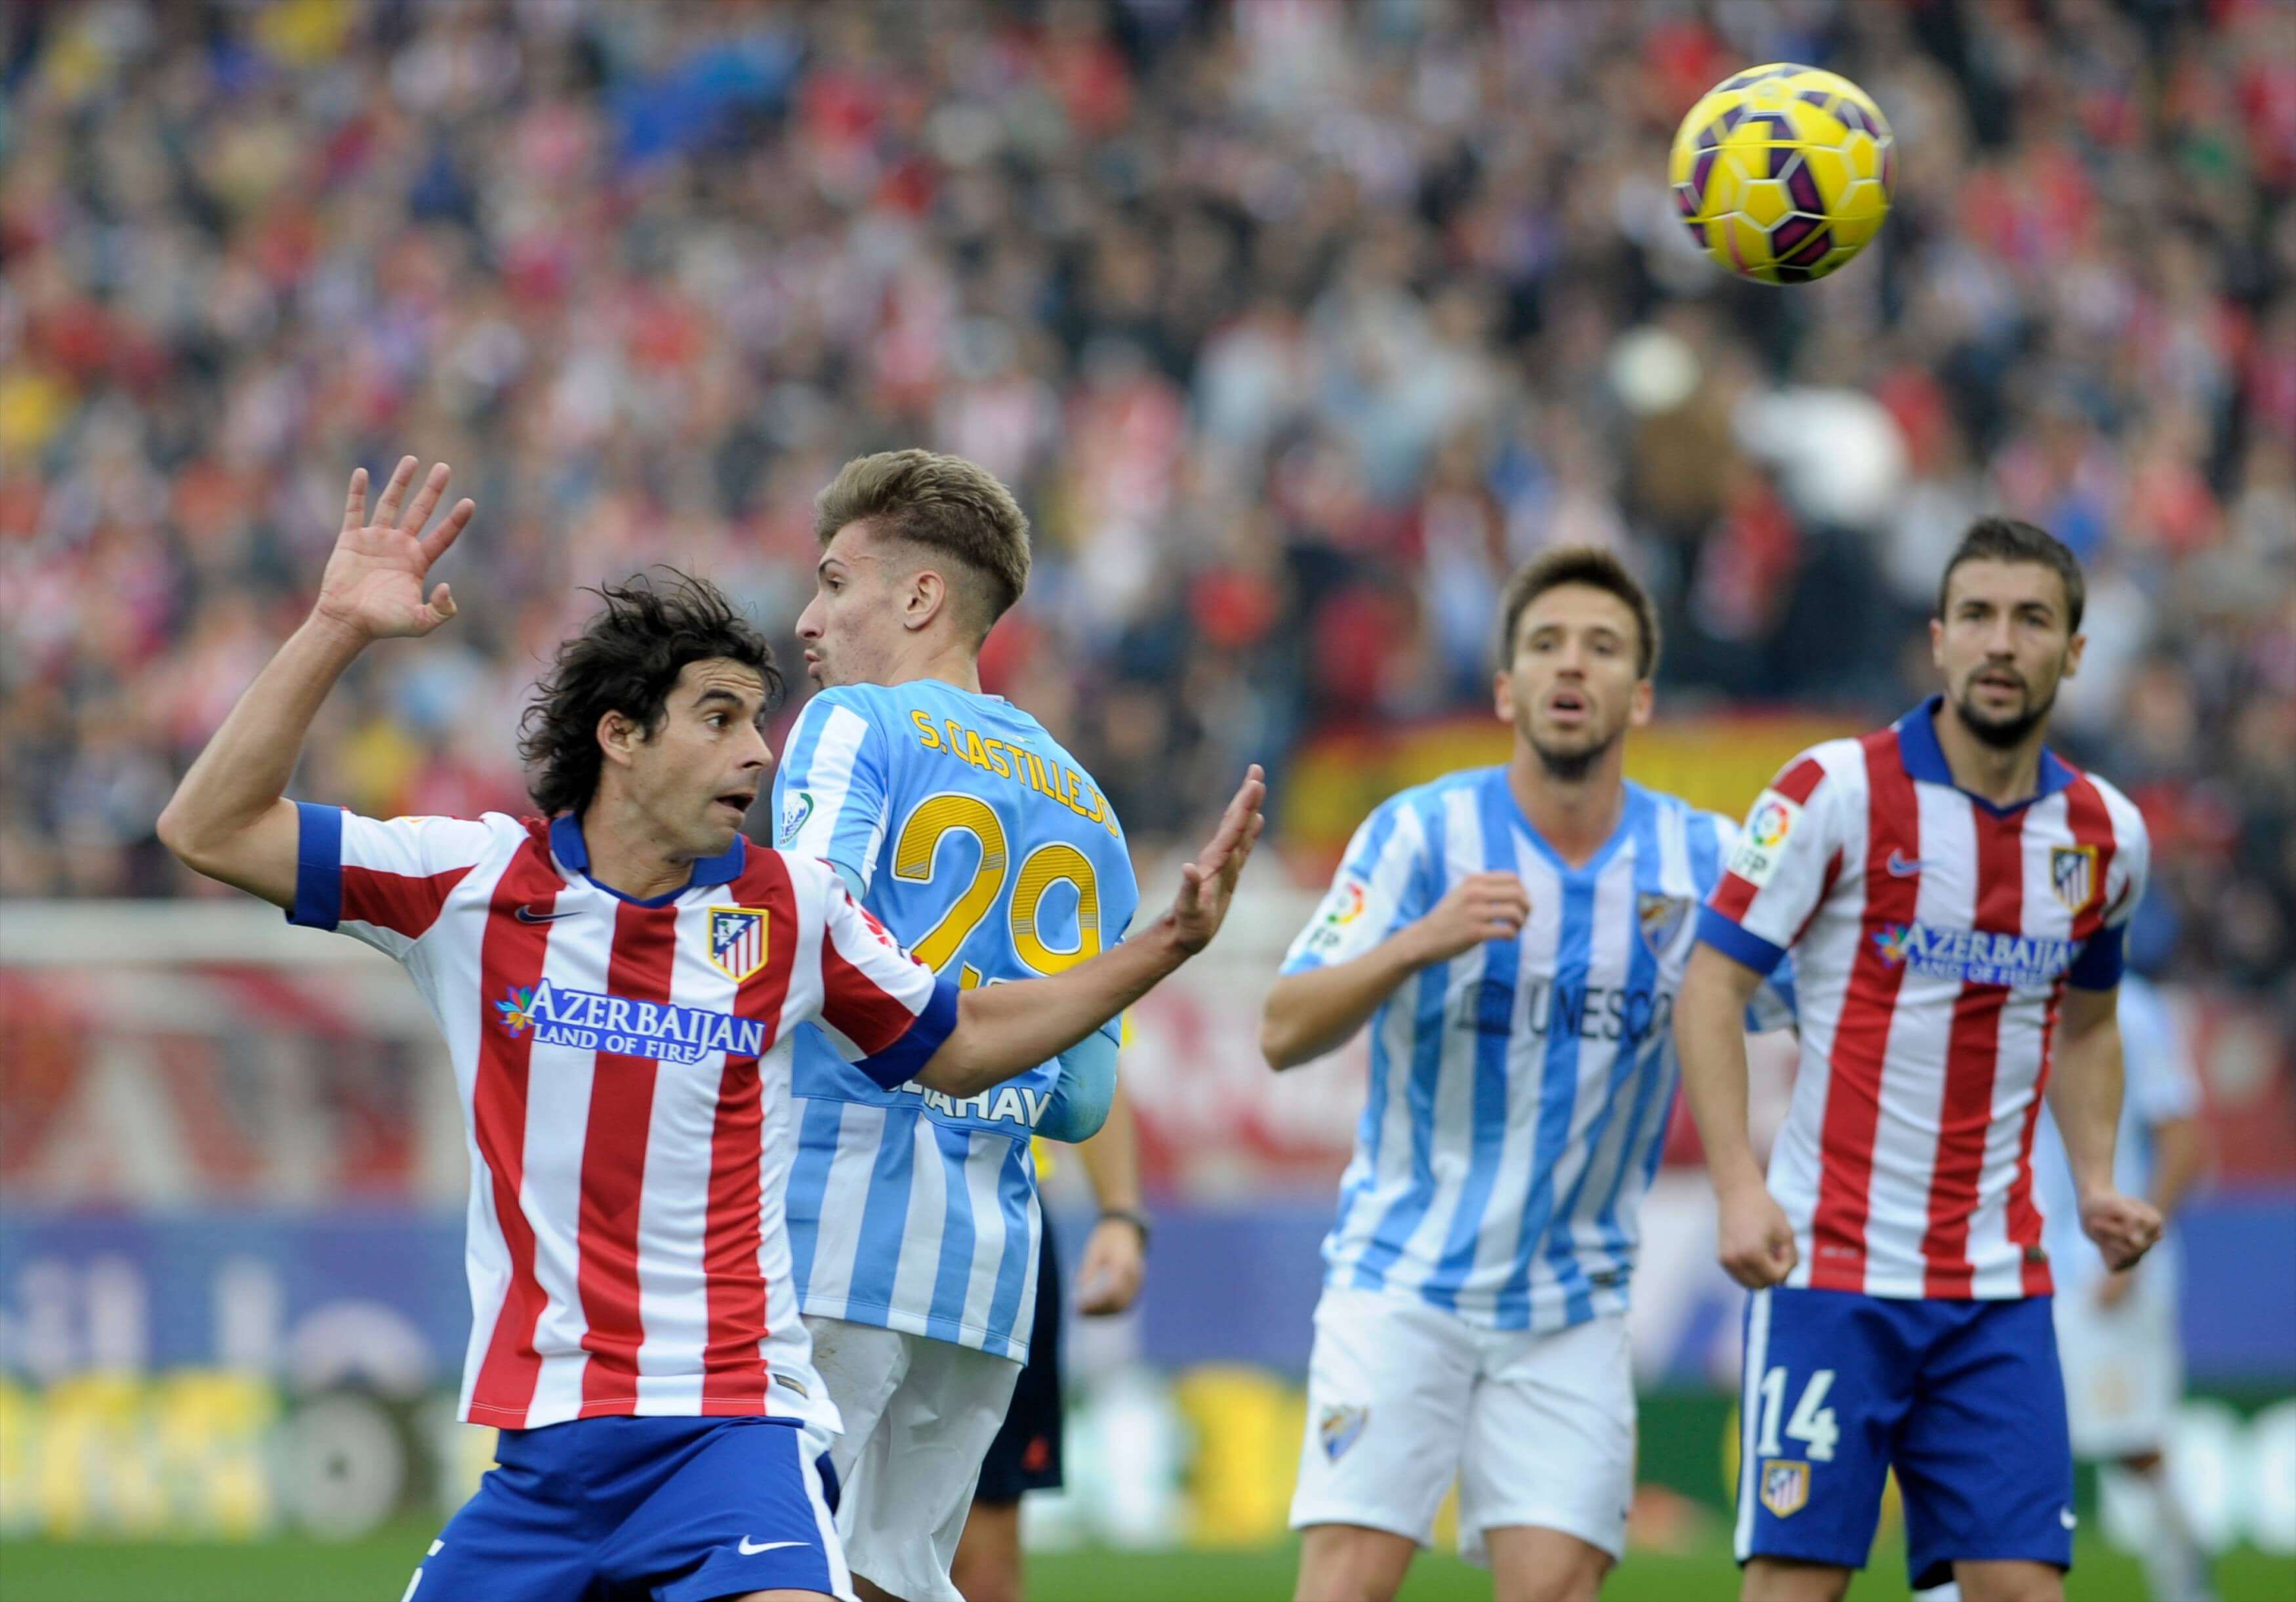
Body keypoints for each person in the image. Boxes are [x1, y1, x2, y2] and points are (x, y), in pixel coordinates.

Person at [153, 457, 1264, 1602]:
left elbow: (970, 1034)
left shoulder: (793, 911)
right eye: (723, 718)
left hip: (735, 1428)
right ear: (622, 735)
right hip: (552, 1452)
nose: (762, 752)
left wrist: (1167, 947)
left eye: (761, 717)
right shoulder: (471, 882)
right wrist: (335, 625)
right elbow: (208, 823)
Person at [1258, 546, 1795, 1602]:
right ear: (1506, 687)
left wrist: (1746, 1182)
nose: (1571, 667)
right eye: (1546, 644)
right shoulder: (1423, 834)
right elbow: (1282, 1028)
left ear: (1639, 696)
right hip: (1403, 1280)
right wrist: (1418, 940)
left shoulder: (1702, 860)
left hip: (1574, 1303)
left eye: (1602, 649)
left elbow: (1821, 1004)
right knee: (1345, 1587)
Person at [1674, 516, 2163, 1602]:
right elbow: (1712, 984)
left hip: (1997, 1286)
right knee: (1796, 1586)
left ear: (2074, 651)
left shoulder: (2105, 837)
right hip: (1831, 1274)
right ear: (1938, 640)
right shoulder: (1834, 791)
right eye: (1979, 616)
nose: (2002, 642)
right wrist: (1739, 1187)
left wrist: (2093, 1185)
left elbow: (2089, 1022)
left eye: (2032, 619)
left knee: (2023, 1589)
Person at [768, 449, 1141, 1602]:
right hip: (983, 1280)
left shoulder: (853, 726)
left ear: (920, 596)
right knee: (895, 1580)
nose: (807, 618)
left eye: (835, 582)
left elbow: (802, 935)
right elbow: (1081, 1098)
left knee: (746, 1562)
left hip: (827, 1232)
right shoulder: (1087, 800)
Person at [949, 1092, 1151, 1602]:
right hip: (844, 1217)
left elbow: (1093, 1050)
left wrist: (1121, 1213)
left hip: (999, 1212)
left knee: (984, 1538)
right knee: (825, 1518)